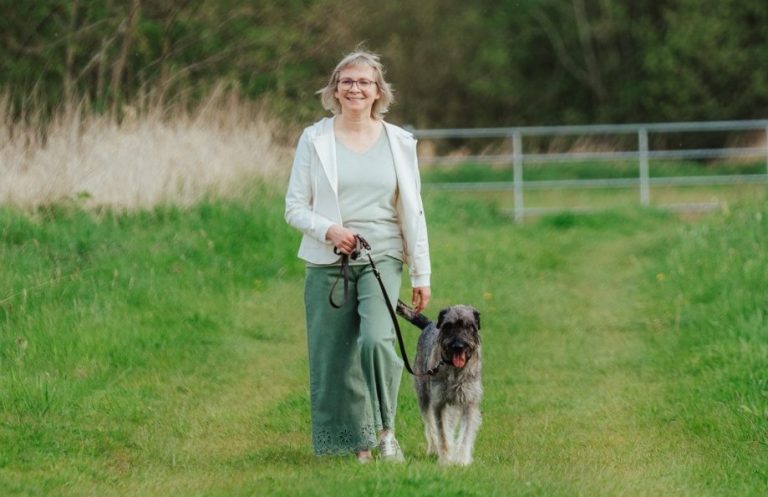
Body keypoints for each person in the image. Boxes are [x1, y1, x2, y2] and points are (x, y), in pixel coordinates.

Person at [284, 48, 431, 463]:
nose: (355, 88)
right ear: (334, 89)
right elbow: (294, 206)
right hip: (328, 258)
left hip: (381, 257)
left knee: (375, 342)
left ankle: (386, 432)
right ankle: (357, 443)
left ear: (378, 91)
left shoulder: (400, 142)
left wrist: (422, 274)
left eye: (364, 82)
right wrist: (329, 230)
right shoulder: (314, 139)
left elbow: (414, 211)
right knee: (333, 355)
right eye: (347, 81)